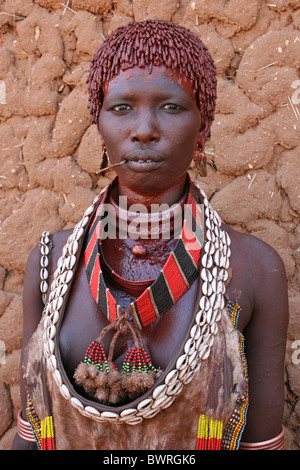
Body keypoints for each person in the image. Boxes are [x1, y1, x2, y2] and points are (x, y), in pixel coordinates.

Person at [12, 19, 288, 451]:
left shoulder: (254, 268)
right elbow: (32, 434)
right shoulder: (49, 262)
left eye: (172, 107)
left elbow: (263, 444)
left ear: (204, 126)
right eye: (122, 107)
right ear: (98, 124)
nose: (143, 129)